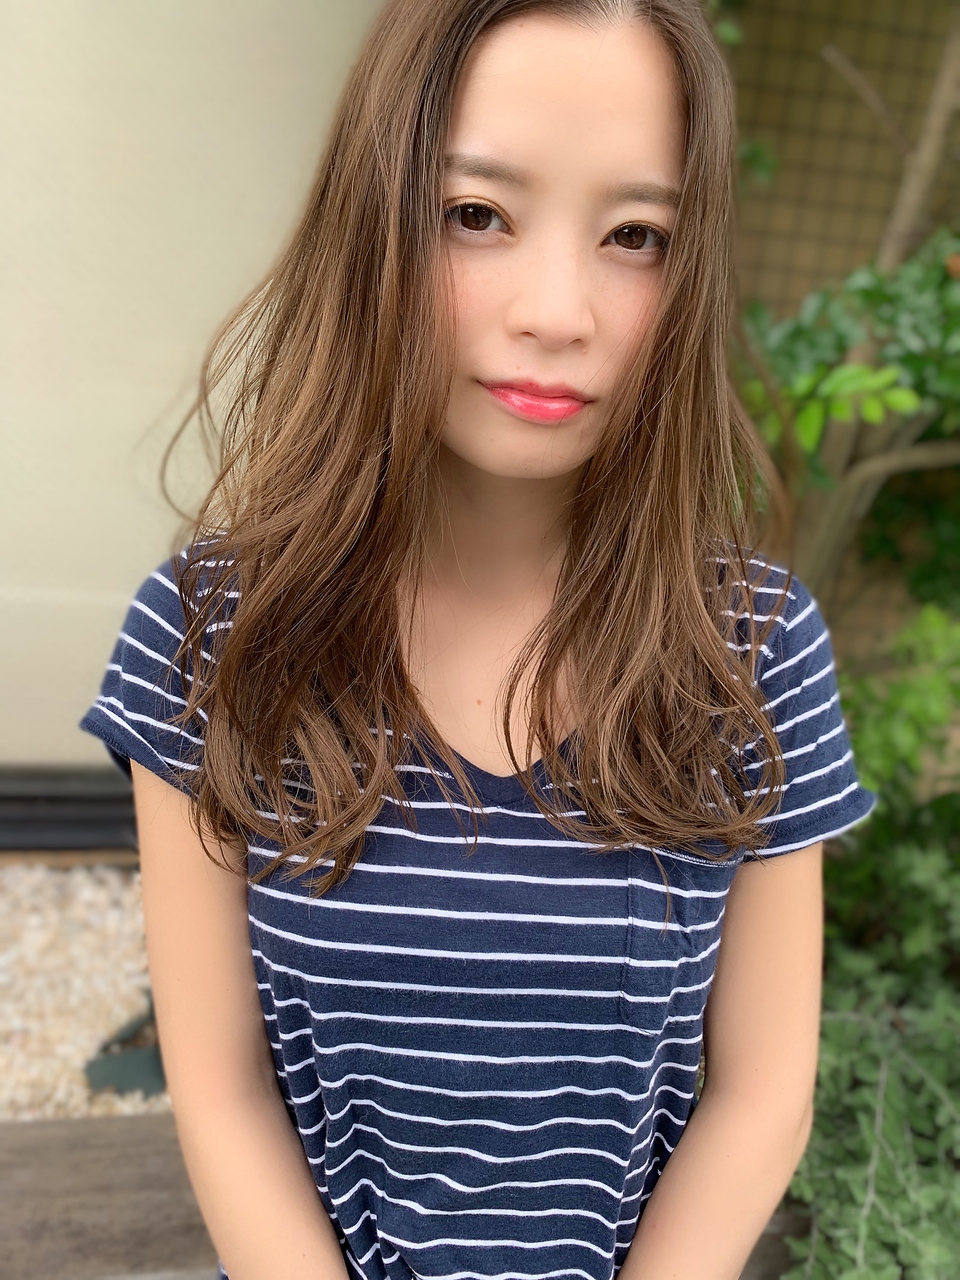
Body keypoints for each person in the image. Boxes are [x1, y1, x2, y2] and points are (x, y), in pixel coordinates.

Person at [81, 1, 875, 1277]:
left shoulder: (753, 647)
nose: (558, 311)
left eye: (636, 235)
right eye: (477, 214)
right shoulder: (212, 634)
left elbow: (761, 1093)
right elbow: (222, 1091)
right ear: (373, 221)